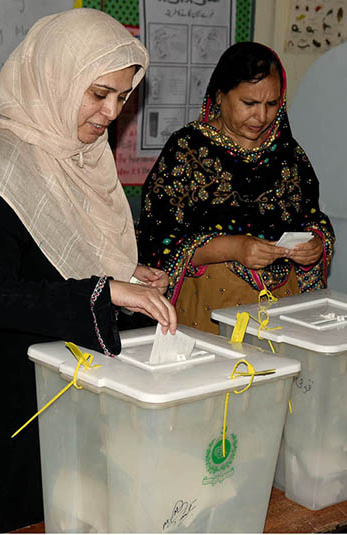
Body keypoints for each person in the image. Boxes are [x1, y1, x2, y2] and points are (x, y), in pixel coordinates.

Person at [0, 9, 177, 532]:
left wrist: (124, 271)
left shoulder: (85, 155)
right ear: (56, 77)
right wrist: (104, 291)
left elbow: (60, 247)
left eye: (122, 96)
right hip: (11, 398)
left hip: (72, 386)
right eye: (98, 93)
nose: (112, 111)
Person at [136, 42, 335, 334]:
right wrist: (233, 248)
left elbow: (312, 219)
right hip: (208, 310)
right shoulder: (187, 151)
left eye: (272, 104)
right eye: (249, 103)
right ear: (220, 96)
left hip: (281, 310)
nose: (262, 117)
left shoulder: (288, 155)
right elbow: (159, 242)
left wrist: (316, 245)